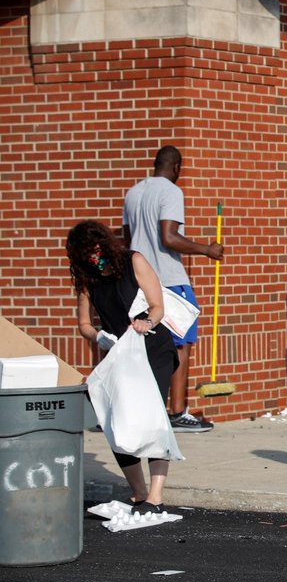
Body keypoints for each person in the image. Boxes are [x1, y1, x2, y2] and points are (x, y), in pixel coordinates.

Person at [67, 220, 178, 514]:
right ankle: (138, 490)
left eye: (95, 249)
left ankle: (155, 495)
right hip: (120, 353)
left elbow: (157, 305)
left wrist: (147, 322)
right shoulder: (88, 278)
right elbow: (83, 324)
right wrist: (98, 336)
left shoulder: (133, 261)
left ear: (104, 243)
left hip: (152, 347)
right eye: (85, 253)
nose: (93, 257)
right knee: (116, 420)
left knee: (152, 416)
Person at [123, 146, 223, 433]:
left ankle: (142, 410)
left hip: (139, 280)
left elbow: (129, 241)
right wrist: (207, 249)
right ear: (176, 167)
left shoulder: (133, 192)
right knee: (182, 344)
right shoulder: (170, 191)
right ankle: (177, 412)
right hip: (168, 279)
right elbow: (168, 237)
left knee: (146, 345)